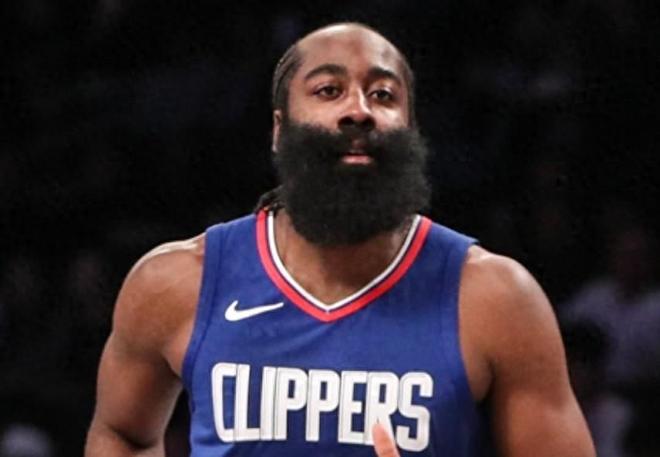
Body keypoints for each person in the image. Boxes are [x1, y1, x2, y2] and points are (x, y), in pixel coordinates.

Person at [85, 22, 595, 456]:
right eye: (329, 90)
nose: (359, 110)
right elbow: (122, 433)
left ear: (409, 129)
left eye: (383, 94)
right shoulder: (177, 283)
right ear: (280, 129)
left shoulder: (496, 299)